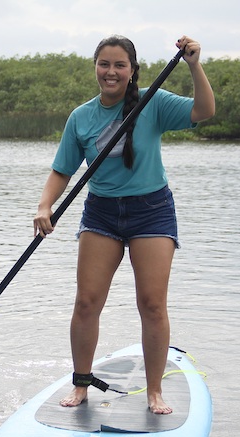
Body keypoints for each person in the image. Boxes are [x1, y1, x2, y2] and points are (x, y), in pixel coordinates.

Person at [33, 35, 215, 414]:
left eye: (119, 65)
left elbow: (204, 110)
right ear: (95, 68)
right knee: (86, 302)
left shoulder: (153, 102)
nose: (111, 72)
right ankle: (81, 384)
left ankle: (154, 392)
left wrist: (194, 65)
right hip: (101, 213)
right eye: (104, 64)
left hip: (151, 210)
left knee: (152, 304)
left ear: (132, 70)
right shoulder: (81, 117)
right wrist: (44, 206)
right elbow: (62, 170)